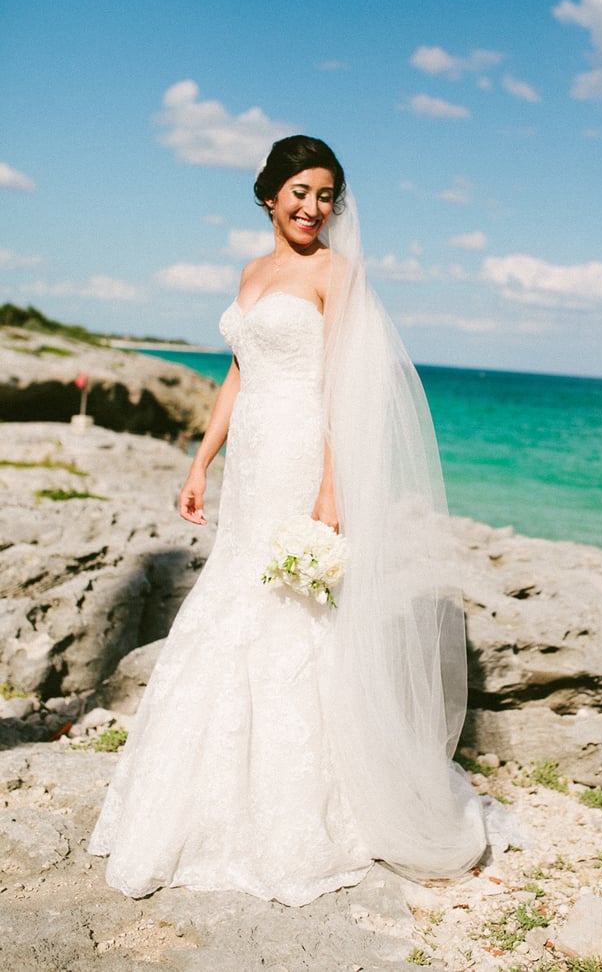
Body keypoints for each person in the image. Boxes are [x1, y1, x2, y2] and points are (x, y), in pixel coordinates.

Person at [89, 135, 488, 905]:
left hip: (306, 452)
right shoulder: (250, 272)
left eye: (326, 194)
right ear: (269, 194)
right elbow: (240, 368)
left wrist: (333, 493)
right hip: (252, 462)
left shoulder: (334, 274)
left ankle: (306, 807)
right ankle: (204, 797)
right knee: (233, 599)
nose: (313, 207)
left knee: (293, 612)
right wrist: (202, 460)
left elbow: (346, 385)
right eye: (299, 191)